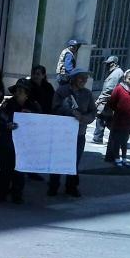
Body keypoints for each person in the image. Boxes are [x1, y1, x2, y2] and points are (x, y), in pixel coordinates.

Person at [48, 68, 97, 197]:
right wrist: (69, 112)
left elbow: (93, 112)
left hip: (79, 134)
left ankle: (71, 187)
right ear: (74, 78)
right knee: (58, 159)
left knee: (74, 161)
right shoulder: (62, 91)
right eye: (81, 78)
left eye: (86, 78)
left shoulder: (87, 94)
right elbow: (55, 108)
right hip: (62, 132)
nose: (84, 80)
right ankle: (53, 185)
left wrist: (83, 118)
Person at [0, 78, 41, 204]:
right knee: (5, 169)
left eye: (21, 91)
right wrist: (6, 125)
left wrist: (30, 117)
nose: (17, 93)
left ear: (27, 94)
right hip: (6, 142)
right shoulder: (7, 104)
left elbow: (40, 123)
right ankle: (1, 193)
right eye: (17, 90)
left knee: (19, 170)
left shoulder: (34, 106)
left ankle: (17, 194)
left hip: (24, 144)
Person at [107, 69, 130, 168]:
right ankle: (117, 158)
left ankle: (124, 159)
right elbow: (112, 103)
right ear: (125, 79)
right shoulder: (119, 89)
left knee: (125, 140)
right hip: (119, 119)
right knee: (117, 140)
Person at [93, 56, 125, 150]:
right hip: (110, 101)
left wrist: (99, 100)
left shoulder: (116, 74)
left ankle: (118, 136)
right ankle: (99, 137)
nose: (107, 66)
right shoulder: (116, 72)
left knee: (104, 118)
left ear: (114, 64)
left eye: (109, 64)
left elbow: (109, 90)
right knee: (104, 118)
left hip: (109, 101)